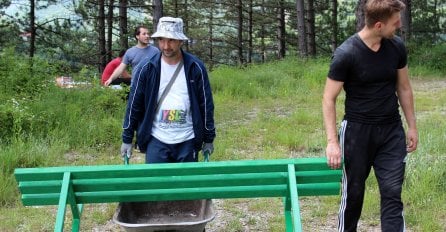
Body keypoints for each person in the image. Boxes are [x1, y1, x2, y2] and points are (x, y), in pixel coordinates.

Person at [322, 0, 418, 231]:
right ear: (378, 25)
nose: (399, 26)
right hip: (357, 132)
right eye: (395, 23)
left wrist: (412, 127)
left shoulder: (396, 47)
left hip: (391, 131)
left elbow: (403, 88)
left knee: (392, 192)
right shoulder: (346, 53)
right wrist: (332, 142)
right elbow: (328, 98)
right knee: (353, 194)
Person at [119, 17, 216, 163]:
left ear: (180, 41)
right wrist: (127, 138)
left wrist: (209, 138)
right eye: (162, 40)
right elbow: (134, 104)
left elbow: (206, 105)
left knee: (186, 185)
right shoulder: (147, 68)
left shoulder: (195, 67)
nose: (166, 46)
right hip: (156, 139)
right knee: (157, 184)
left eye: (171, 40)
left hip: (187, 139)